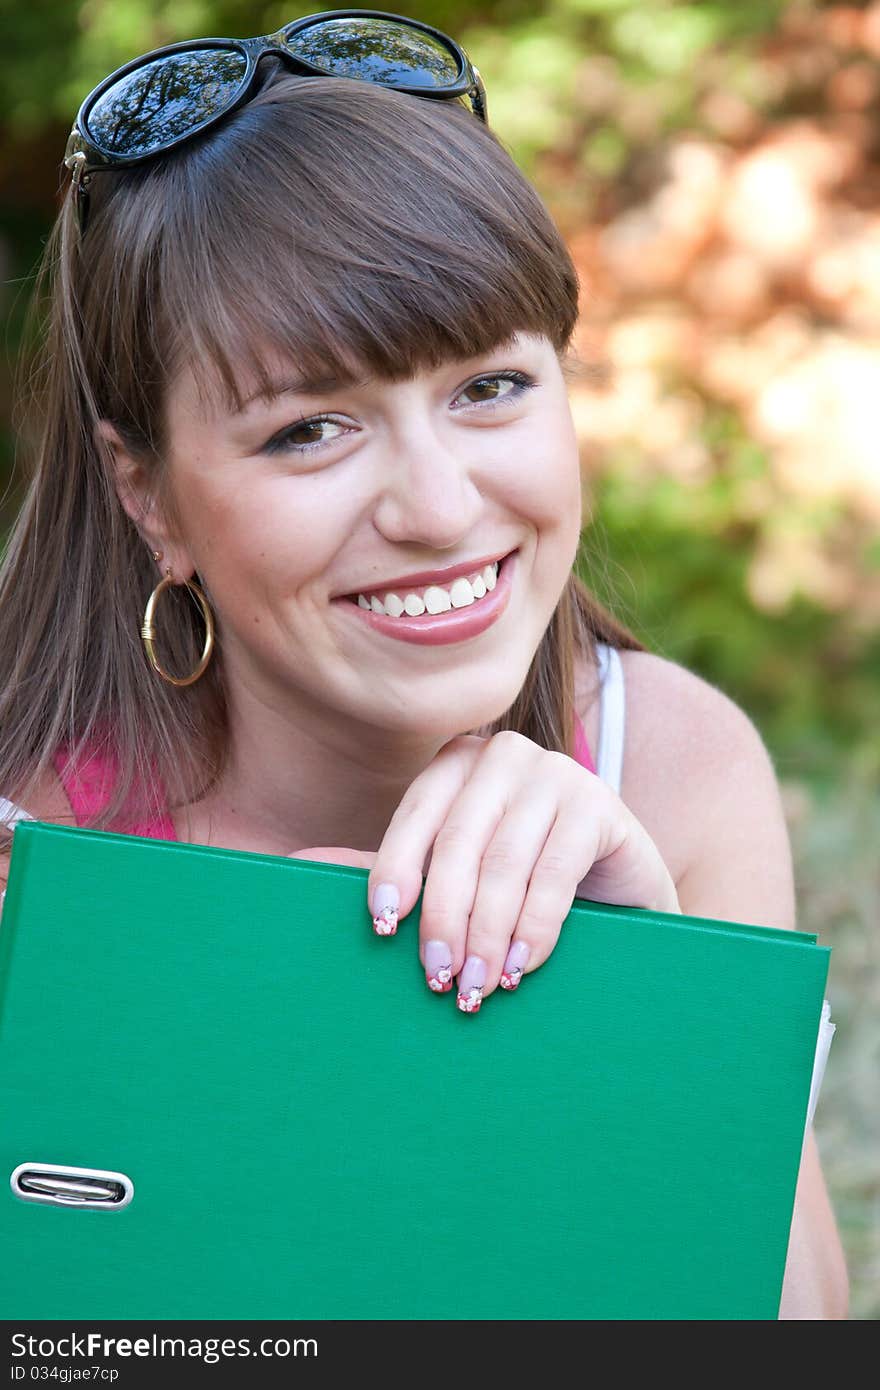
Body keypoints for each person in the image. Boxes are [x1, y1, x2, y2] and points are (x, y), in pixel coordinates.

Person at [0, 11, 847, 1318]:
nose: (441, 506)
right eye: (312, 429)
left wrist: (654, 989)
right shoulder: (31, 854)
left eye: (490, 389)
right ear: (150, 493)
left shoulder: (669, 762)